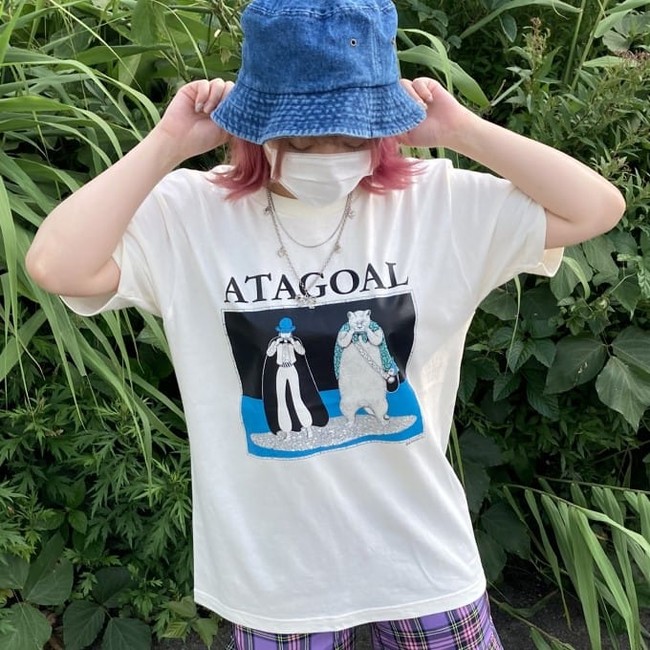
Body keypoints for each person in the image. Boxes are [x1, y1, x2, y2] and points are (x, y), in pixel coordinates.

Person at [25, 0, 625, 648]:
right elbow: (57, 265)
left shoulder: (436, 203)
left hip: (422, 559)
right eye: (303, 137)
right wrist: (166, 145)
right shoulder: (189, 216)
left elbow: (595, 208)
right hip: (277, 581)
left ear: (383, 123)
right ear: (256, 124)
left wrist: (462, 131)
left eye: (351, 135)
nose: (329, 155)